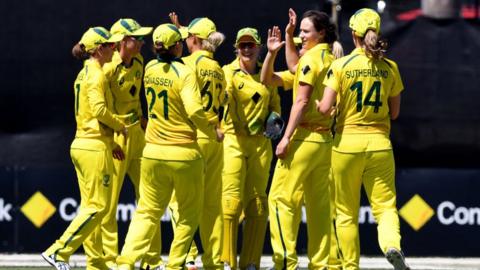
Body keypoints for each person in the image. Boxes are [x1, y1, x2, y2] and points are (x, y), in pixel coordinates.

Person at [116, 23, 221, 270]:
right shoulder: (184, 73)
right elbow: (195, 110)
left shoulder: (150, 68)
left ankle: (125, 263)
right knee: (187, 215)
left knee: (146, 213)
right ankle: (175, 265)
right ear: (176, 47)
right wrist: (212, 131)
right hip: (184, 152)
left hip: (152, 151)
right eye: (179, 42)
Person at [316, 8, 410, 270]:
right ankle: (391, 245)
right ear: (375, 33)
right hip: (380, 144)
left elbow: (324, 109)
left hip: (346, 145)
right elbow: (395, 112)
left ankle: (349, 267)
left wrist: (323, 106)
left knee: (345, 214)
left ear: (354, 34)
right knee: (385, 208)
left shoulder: (341, 65)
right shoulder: (390, 67)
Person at [41, 27, 128, 270]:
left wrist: (111, 144)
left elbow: (90, 113)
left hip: (84, 144)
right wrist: (120, 126)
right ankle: (58, 250)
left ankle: (96, 261)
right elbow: (99, 111)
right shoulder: (97, 74)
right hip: (92, 147)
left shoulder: (83, 74)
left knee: (90, 208)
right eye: (110, 45)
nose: (114, 48)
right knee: (98, 207)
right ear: (99, 50)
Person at [265, 8, 339, 270]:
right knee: (319, 206)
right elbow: (295, 67)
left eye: (306, 31)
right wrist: (288, 33)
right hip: (324, 141)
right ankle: (320, 264)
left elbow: (302, 99)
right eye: (300, 31)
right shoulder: (330, 58)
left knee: (279, 200)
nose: (301, 36)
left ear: (321, 33)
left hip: (304, 136)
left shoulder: (312, 60)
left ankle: (285, 261)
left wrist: (285, 138)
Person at [221, 27, 281, 270]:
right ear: (236, 48)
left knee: (257, 204)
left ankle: (251, 262)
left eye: (251, 45)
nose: (247, 49)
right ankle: (226, 261)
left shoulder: (267, 75)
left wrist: (274, 121)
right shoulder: (228, 72)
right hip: (233, 140)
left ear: (259, 47)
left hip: (260, 144)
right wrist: (240, 120)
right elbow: (226, 99)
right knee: (231, 202)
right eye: (242, 45)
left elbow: (275, 105)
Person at [100, 18, 154, 270]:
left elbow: (137, 97)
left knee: (149, 197)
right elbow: (99, 109)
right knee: (109, 202)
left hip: (138, 134)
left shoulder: (140, 61)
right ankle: (111, 261)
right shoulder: (107, 69)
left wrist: (142, 120)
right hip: (116, 136)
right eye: (137, 38)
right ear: (122, 42)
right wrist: (111, 140)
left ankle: (150, 260)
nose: (142, 42)